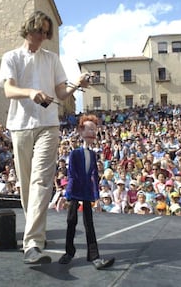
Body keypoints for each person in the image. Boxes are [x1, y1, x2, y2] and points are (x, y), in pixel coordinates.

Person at [0, 10, 90, 265]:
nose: (42, 37)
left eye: (46, 33)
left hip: (48, 125)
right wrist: (30, 93)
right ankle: (35, 234)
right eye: (39, 31)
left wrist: (76, 84)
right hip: (19, 126)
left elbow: (61, 93)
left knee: (41, 181)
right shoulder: (11, 57)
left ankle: (33, 243)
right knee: (26, 186)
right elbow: (8, 89)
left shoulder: (52, 59)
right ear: (28, 29)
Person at [58, 114, 115, 270]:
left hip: (87, 191)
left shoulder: (92, 154)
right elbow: (71, 174)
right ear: (81, 131)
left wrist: (96, 197)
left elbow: (94, 175)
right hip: (75, 190)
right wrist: (68, 194)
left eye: (94, 130)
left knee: (89, 223)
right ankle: (69, 252)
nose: (92, 133)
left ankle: (94, 255)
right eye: (89, 129)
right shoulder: (75, 153)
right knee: (71, 221)